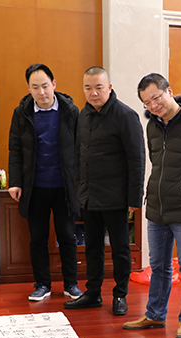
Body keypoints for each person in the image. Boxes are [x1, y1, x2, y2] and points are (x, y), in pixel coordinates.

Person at [123, 73, 181, 338]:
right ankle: (155, 314)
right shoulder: (152, 126)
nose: (154, 105)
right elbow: (158, 166)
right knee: (158, 266)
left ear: (169, 91)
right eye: (147, 102)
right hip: (157, 208)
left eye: (157, 97)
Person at [65, 66, 145, 315]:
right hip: (89, 196)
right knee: (92, 248)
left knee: (120, 249)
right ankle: (93, 293)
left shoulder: (125, 115)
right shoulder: (83, 115)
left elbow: (137, 159)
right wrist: (79, 190)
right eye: (88, 88)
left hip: (116, 197)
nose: (93, 93)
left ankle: (120, 294)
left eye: (99, 87)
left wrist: (134, 198)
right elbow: (79, 156)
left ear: (109, 87)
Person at [8, 64, 82, 302]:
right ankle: (42, 284)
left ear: (54, 85)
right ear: (28, 88)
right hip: (35, 187)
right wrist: (15, 182)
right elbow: (15, 149)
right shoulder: (22, 113)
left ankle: (71, 284)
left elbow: (81, 148)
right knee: (38, 238)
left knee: (67, 236)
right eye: (35, 87)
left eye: (45, 86)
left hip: (64, 186)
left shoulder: (71, 111)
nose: (41, 92)